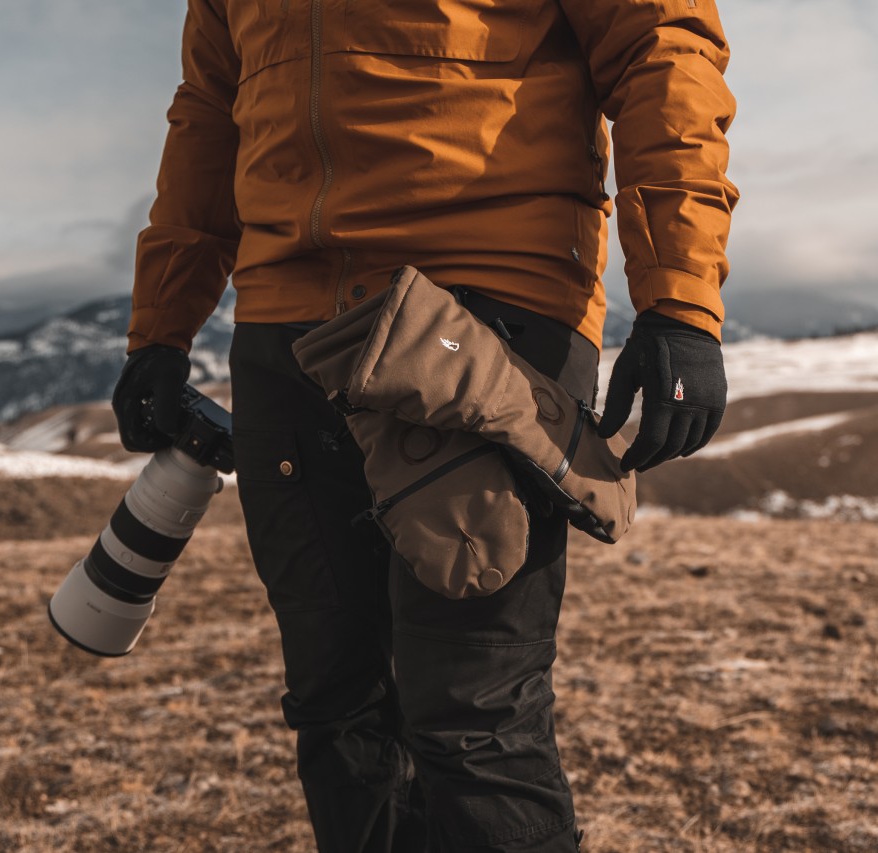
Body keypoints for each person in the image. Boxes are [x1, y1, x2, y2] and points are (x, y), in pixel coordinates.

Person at [112, 2, 737, 850]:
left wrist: (681, 301)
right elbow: (209, 110)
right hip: (283, 333)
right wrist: (161, 327)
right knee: (339, 711)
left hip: (479, 317)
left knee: (473, 722)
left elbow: (661, 43)